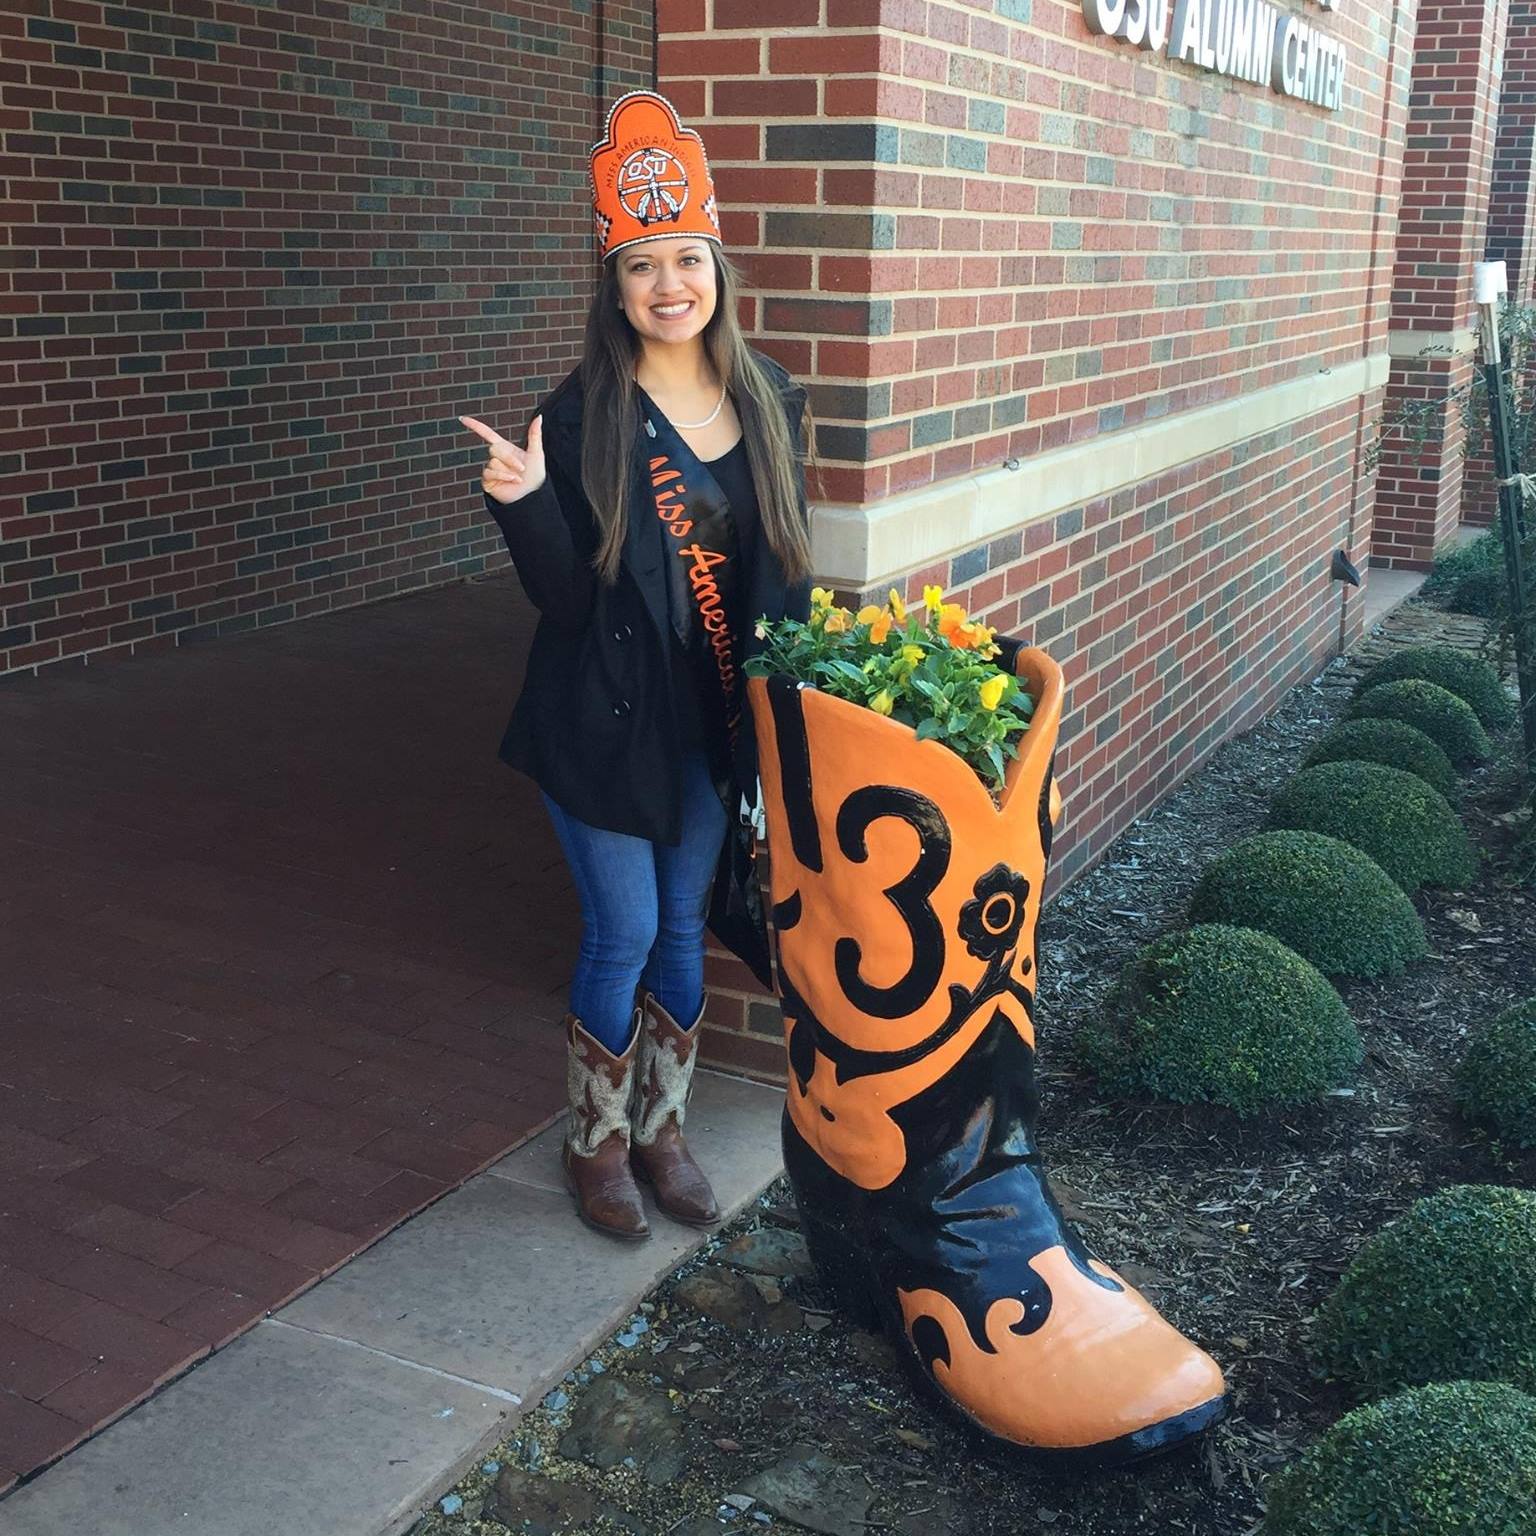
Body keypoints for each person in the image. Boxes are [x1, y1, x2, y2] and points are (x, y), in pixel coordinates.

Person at [459, 91, 812, 1243]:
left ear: (716, 267)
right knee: (619, 930)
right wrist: (525, 506)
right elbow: (564, 601)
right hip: (601, 723)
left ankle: (665, 1130)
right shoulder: (579, 415)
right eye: (642, 266)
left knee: (679, 932)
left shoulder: (769, 403)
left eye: (686, 259)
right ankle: (596, 1145)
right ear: (615, 290)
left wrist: (783, 722)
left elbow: (780, 582)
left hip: (710, 724)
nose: (670, 284)